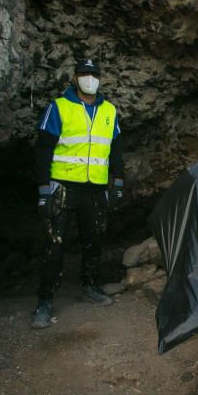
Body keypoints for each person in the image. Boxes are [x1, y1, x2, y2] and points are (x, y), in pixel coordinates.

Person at [31, 59, 125, 329]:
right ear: (75, 78)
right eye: (84, 73)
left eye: (94, 74)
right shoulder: (59, 107)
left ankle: (90, 286)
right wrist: (43, 190)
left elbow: (115, 150)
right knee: (54, 244)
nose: (90, 78)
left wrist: (117, 182)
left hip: (95, 188)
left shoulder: (109, 111)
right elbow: (43, 149)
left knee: (94, 240)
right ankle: (44, 301)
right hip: (62, 186)